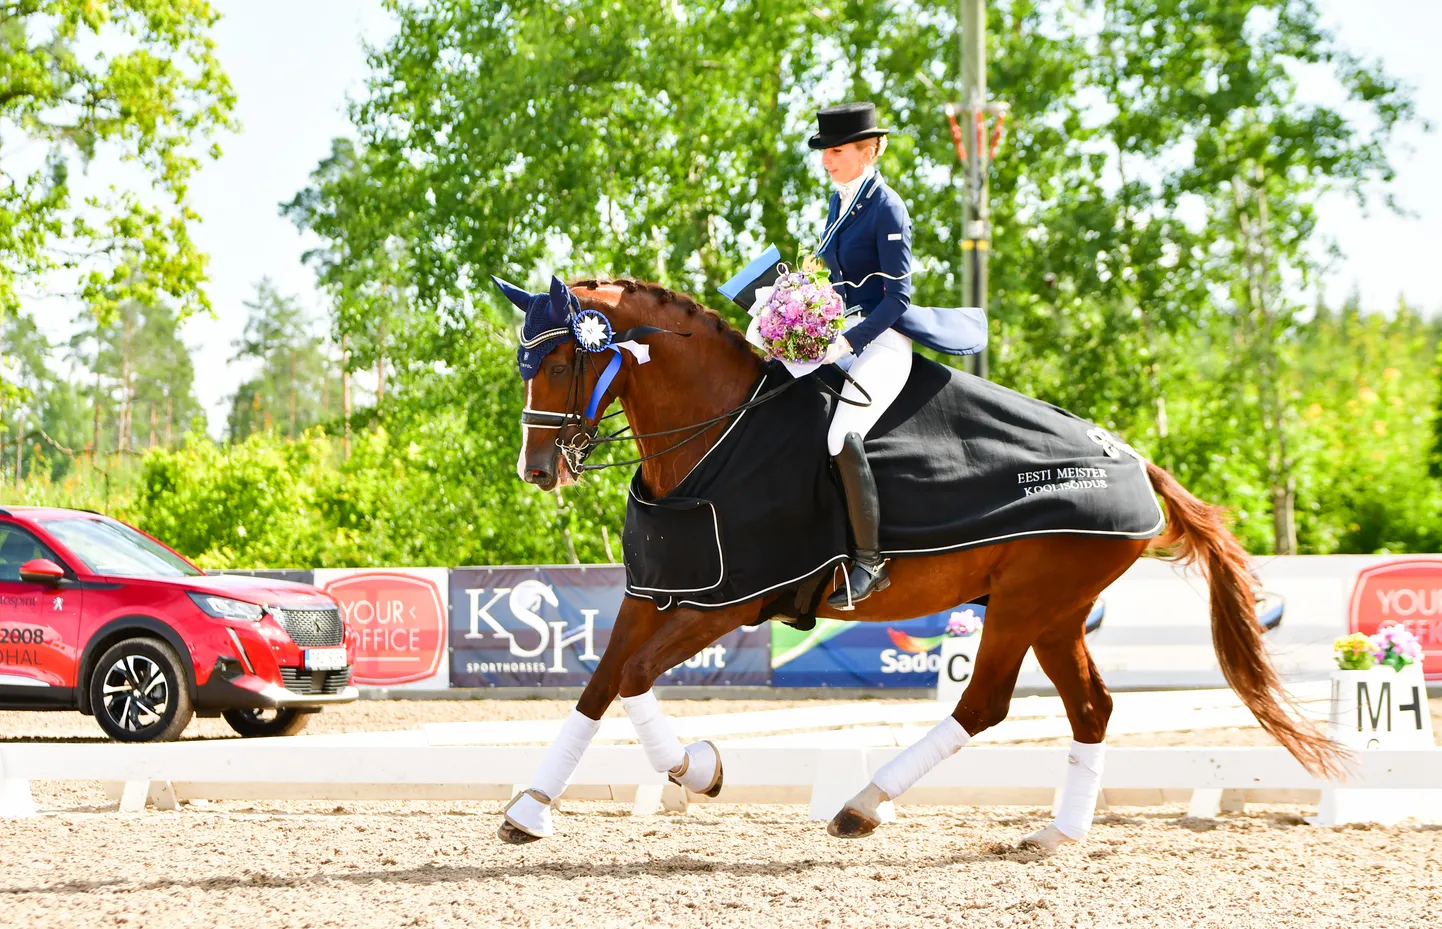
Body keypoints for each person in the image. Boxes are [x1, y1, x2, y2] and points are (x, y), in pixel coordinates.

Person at [810, 101, 914, 610]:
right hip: (840, 336)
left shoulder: (886, 206)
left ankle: (871, 562)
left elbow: (897, 298)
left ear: (868, 149)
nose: (827, 160)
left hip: (883, 340)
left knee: (838, 434)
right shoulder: (838, 203)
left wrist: (849, 341)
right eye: (825, 152)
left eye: (836, 150)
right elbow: (834, 284)